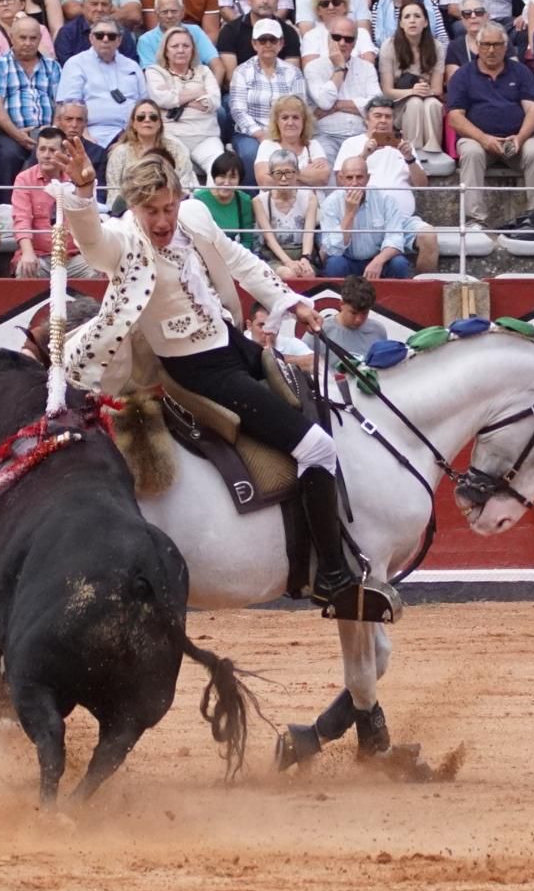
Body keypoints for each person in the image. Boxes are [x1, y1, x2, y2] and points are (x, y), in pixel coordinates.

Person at [54, 139, 399, 620]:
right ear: (134, 207)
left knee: (312, 405)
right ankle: (333, 578)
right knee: (318, 447)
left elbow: (240, 262)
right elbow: (90, 238)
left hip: (233, 343)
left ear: (179, 197)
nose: (161, 220)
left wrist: (291, 301)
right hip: (198, 368)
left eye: (167, 207)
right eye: (150, 210)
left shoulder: (193, 217)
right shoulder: (124, 243)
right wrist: (83, 190)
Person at [447, 21, 534, 229]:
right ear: (477, 46)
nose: (491, 50)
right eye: (486, 44)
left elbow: (532, 110)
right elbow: (455, 117)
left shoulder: (520, 72)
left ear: (506, 47)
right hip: (477, 139)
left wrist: (520, 137)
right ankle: (475, 220)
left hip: (516, 138)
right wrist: (484, 139)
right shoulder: (463, 75)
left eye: (496, 44)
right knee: (472, 153)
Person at [319, 154, 435, 278]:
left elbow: (395, 239)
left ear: (368, 178)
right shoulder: (330, 203)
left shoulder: (385, 199)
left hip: (378, 257)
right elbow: (333, 249)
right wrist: (349, 214)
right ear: (341, 179)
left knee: (399, 263)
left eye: (359, 177)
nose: (354, 183)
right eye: (349, 178)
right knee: (334, 264)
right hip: (347, 259)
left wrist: (378, 261)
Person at [11, 126, 96, 278]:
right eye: (42, 149)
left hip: (74, 255)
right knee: (25, 269)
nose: (46, 155)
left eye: (52, 150)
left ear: (64, 153)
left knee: (97, 270)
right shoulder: (24, 179)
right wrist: (28, 253)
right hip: (39, 255)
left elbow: (87, 216)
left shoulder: (76, 177)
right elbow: (21, 219)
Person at [0, 14, 58, 182]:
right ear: (12, 38)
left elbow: (59, 103)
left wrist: (51, 131)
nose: (28, 43)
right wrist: (18, 135)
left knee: (56, 152)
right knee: (9, 154)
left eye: (33, 38)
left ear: (40, 39)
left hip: (46, 131)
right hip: (10, 132)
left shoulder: (52, 66)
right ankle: (7, 205)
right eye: (22, 38)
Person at [228, 18, 304, 184]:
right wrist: (261, 135)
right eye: (262, 40)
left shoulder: (294, 73)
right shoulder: (241, 71)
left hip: (286, 131)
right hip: (250, 134)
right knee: (251, 154)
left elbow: (299, 109)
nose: (268, 44)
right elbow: (237, 110)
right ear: (254, 44)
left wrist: (283, 135)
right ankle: (253, 201)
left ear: (281, 43)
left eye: (273, 40)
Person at [55, 16, 146, 149]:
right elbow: (68, 107)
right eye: (99, 35)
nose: (105, 39)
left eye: (111, 36)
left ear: (119, 40)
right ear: (91, 38)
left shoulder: (132, 66)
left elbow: (144, 104)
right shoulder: (76, 64)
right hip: (93, 135)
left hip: (132, 135)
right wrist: (85, 137)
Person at [144, 25, 221, 177]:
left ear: (192, 49)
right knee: (183, 169)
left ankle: (208, 201)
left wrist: (176, 97)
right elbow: (162, 99)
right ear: (166, 50)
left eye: (186, 46)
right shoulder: (155, 71)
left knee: (218, 168)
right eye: (175, 46)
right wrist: (198, 93)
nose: (181, 50)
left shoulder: (203, 71)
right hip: (172, 136)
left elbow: (214, 101)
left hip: (205, 135)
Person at [333, 95, 425, 217]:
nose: (383, 120)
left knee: (428, 234)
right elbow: (340, 183)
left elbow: (422, 185)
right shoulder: (351, 143)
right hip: (366, 216)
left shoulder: (404, 145)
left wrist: (409, 158)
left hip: (402, 216)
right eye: (377, 116)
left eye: (388, 117)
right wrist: (364, 155)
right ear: (366, 120)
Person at [303, 15, 375, 164]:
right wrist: (339, 68)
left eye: (348, 39)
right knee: (325, 168)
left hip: (360, 134)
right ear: (328, 39)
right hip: (325, 135)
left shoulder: (367, 68)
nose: (342, 43)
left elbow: (375, 105)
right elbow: (325, 102)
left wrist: (339, 105)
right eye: (337, 37)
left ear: (355, 43)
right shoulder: (314, 67)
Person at [377, 0, 443, 160]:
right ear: (400, 23)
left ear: (426, 22)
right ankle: (413, 152)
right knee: (414, 102)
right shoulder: (389, 46)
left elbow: (438, 90)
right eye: (407, 17)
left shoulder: (437, 47)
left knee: (433, 104)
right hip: (398, 105)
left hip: (427, 99)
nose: (412, 20)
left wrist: (427, 91)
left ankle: (434, 151)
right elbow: (387, 91)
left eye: (417, 16)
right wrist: (412, 92)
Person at [252, 147, 317, 277]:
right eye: (278, 173)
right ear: (271, 175)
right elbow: (269, 239)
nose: (283, 179)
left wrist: (305, 258)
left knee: (307, 274)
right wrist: (288, 262)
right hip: (273, 256)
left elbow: (309, 233)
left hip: (301, 253)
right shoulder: (260, 201)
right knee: (289, 274)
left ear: (297, 173)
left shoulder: (309, 197)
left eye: (288, 173)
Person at [106, 98, 194, 192]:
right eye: (141, 117)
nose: (147, 120)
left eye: (153, 117)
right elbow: (113, 190)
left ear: (159, 123)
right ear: (133, 124)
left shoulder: (175, 148)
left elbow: (186, 183)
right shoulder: (120, 153)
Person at [216, 0, 300, 72]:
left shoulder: (289, 33)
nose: (265, 0)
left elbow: (292, 73)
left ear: (277, 1)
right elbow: (230, 78)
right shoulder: (230, 31)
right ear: (249, 0)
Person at [255, 93, 326, 188]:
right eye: (285, 118)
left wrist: (280, 174)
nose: (290, 123)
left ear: (304, 121)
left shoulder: (313, 145)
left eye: (295, 117)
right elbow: (265, 182)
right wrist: (304, 175)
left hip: (311, 202)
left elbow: (323, 178)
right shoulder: (267, 145)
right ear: (277, 122)